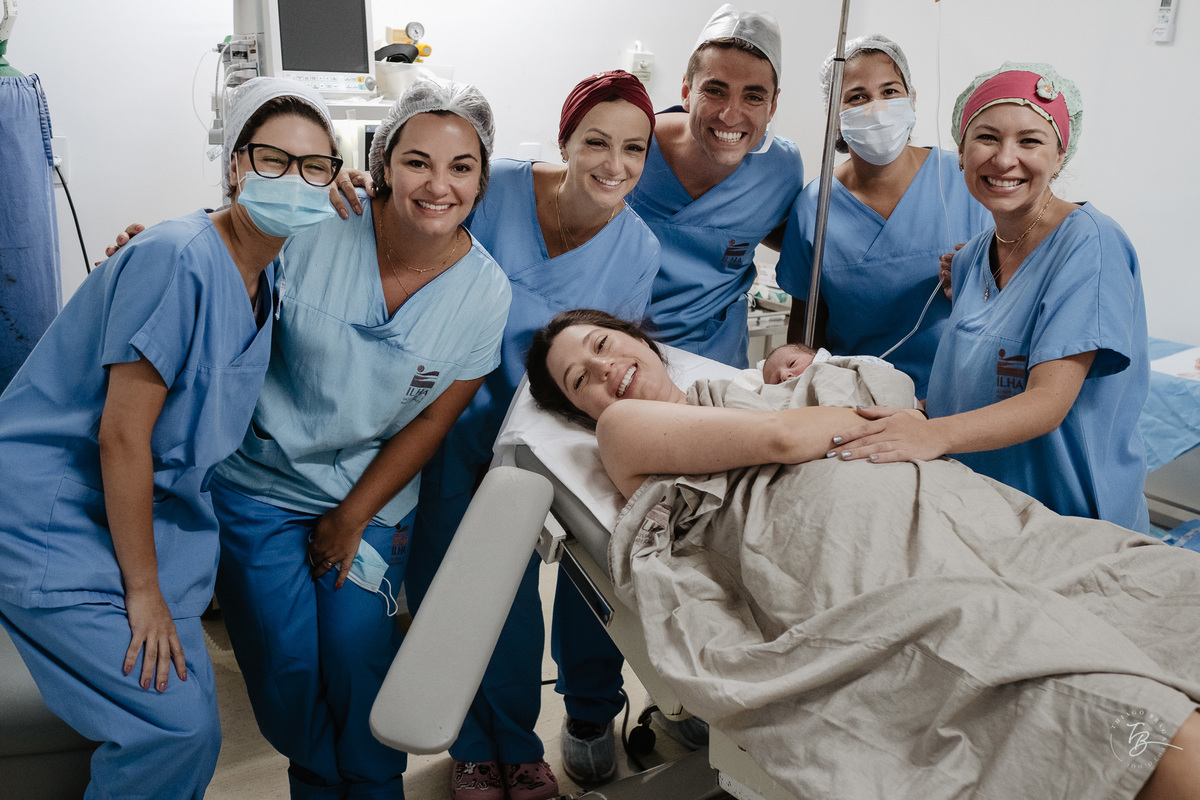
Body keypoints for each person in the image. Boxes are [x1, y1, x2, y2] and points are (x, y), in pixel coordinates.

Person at [524, 308, 1200, 800]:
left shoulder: (751, 393)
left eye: (606, 344)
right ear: (583, 413)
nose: (606, 370)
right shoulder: (625, 429)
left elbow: (888, 390)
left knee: (1160, 593)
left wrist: (810, 375)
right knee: (1109, 706)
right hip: (871, 573)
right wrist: (848, 408)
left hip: (981, 528)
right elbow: (790, 441)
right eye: (582, 378)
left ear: (641, 337)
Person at [0, 77, 342, 799]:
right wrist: (144, 592)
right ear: (235, 167)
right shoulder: (177, 256)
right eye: (274, 160)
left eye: (316, 167)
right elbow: (122, 438)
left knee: (188, 720)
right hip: (52, 518)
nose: (296, 180)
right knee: (179, 728)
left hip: (145, 521)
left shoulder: (264, 271)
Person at [208, 78, 510, 799]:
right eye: (417, 161)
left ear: (482, 178)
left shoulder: (485, 292)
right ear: (381, 161)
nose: (439, 185)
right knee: (287, 665)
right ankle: (316, 780)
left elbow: (432, 419)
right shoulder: (318, 223)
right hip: (260, 481)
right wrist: (143, 245)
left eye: (461, 167)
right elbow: (218, 251)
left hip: (369, 495)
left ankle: (374, 786)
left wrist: (351, 516)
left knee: (354, 652)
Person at [400, 70, 659, 800]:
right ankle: (471, 749)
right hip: (445, 421)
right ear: (566, 141)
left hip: (537, 436)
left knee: (513, 598)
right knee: (451, 590)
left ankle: (518, 743)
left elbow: (612, 360)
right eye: (597, 142)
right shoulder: (499, 187)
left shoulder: (638, 250)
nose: (614, 165)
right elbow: (417, 225)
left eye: (634, 149)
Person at [833, 62, 1150, 533]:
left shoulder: (1090, 244)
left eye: (1030, 141)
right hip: (982, 508)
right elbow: (973, 383)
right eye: (986, 138)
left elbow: (1048, 403)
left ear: (1060, 156)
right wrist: (913, 414)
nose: (1004, 160)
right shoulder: (972, 258)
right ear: (960, 152)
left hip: (1067, 517)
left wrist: (930, 434)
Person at [776, 34, 990, 398]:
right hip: (853, 395)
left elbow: (1015, 290)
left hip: (958, 394)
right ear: (835, 117)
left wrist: (974, 286)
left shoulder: (963, 180)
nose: (876, 108)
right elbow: (806, 329)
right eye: (857, 97)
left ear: (912, 99)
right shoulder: (816, 204)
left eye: (890, 91)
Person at [630, 3, 804, 369]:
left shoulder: (780, 169)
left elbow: (794, 239)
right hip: (622, 354)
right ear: (686, 91)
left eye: (753, 96)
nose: (730, 114)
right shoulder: (635, 146)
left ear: (773, 106)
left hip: (715, 362)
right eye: (716, 90)